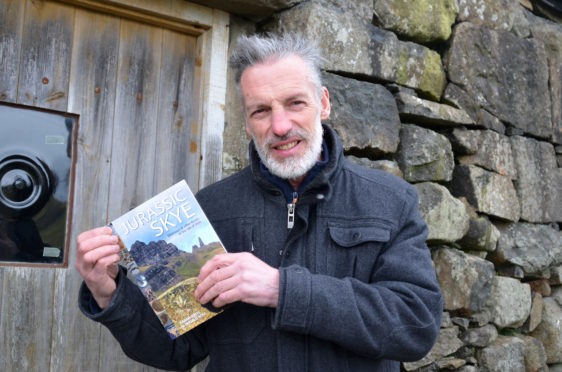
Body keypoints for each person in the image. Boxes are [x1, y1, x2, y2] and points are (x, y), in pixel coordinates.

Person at [75, 33, 443, 371]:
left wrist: (280, 290)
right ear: (247, 123)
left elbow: (416, 324)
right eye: (261, 111)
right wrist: (110, 294)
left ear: (324, 103)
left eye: (295, 103)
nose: (280, 126)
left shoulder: (390, 200)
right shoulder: (211, 208)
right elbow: (177, 350)